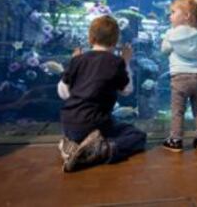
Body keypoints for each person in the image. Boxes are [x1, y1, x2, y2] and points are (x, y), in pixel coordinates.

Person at [57, 15, 147, 172]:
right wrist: (126, 62)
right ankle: (102, 151)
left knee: (113, 125)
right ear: (115, 41)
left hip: (68, 125)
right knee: (137, 136)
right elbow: (127, 90)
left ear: (90, 38)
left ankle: (73, 145)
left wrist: (73, 64)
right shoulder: (115, 62)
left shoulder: (77, 60)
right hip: (96, 126)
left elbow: (63, 93)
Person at [161, 0, 197, 152]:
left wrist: (168, 38)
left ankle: (175, 139)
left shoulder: (171, 33)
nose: (170, 16)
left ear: (186, 16)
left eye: (173, 12)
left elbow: (165, 50)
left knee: (178, 111)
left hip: (180, 78)